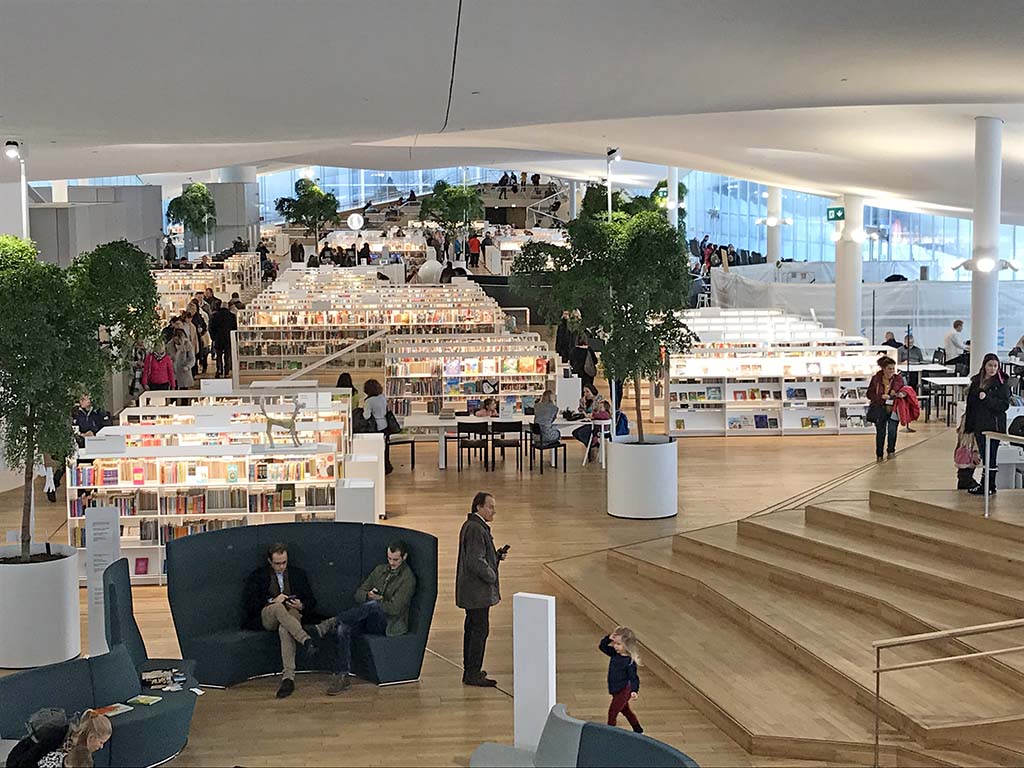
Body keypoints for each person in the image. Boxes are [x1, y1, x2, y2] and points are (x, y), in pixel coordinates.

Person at [313, 540, 417, 695]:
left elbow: (395, 609)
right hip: (368, 617)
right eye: (389, 558)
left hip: (389, 623)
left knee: (374, 606)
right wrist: (368, 595)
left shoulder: (408, 579)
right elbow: (358, 594)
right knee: (343, 629)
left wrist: (379, 600)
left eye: (395, 559)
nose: (392, 563)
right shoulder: (379, 570)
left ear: (404, 557)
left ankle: (333, 621)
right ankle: (343, 675)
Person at [243, 542, 319, 699]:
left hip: (292, 614)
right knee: (278, 608)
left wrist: (301, 605)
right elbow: (250, 604)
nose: (282, 566)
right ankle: (305, 639)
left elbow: (311, 601)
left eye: (284, 562)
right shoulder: (258, 576)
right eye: (277, 563)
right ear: (270, 561)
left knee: (285, 628)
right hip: (268, 614)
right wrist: (272, 600)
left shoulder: (298, 574)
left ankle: (288, 678)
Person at [456, 492, 507, 687]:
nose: (494, 511)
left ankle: (471, 670)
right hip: (477, 592)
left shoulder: (473, 526)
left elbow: (478, 556)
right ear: (478, 507)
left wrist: (495, 556)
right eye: (490, 507)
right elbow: (475, 560)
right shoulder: (476, 529)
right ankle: (473, 673)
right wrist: (491, 575)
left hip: (472, 591)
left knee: (472, 628)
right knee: (479, 630)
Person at [964, 353, 1011, 496]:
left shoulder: (1001, 384)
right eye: (990, 365)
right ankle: (985, 485)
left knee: (991, 456)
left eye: (995, 366)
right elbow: (971, 404)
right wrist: (969, 425)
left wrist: (987, 399)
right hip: (979, 424)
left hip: (993, 427)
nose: (993, 369)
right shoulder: (977, 381)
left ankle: (990, 485)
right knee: (985, 456)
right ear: (984, 366)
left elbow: (1003, 405)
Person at [599, 628, 643, 733]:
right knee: (626, 710)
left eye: (618, 644)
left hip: (623, 690)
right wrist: (609, 638)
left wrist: (634, 690)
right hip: (615, 689)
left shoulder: (629, 662)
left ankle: (610, 732)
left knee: (612, 712)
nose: (615, 646)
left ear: (627, 645)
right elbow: (602, 647)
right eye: (614, 643)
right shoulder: (614, 654)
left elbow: (633, 678)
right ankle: (637, 728)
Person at [36, 710, 111, 768]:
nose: (101, 747)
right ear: (92, 738)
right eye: (101, 742)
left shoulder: (85, 755)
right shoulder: (58, 736)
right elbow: (33, 756)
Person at [867, 356, 905, 461]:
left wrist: (901, 394)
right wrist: (880, 397)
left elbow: (905, 390)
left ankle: (891, 451)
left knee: (892, 430)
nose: (892, 371)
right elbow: (869, 394)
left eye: (893, 368)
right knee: (880, 431)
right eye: (889, 368)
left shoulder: (898, 379)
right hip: (880, 408)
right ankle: (879, 454)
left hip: (894, 408)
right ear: (883, 369)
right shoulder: (876, 379)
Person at [363, 378, 393, 474]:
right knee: (385, 448)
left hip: (376, 427)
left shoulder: (369, 401)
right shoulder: (382, 397)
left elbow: (366, 416)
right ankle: (387, 465)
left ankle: (377, 468)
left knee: (376, 448)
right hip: (385, 424)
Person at [209, 298, 238, 379]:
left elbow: (211, 327)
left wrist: (213, 337)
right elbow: (234, 328)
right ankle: (226, 371)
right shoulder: (232, 316)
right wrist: (234, 338)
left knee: (218, 355)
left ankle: (219, 370)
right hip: (228, 338)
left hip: (218, 338)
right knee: (227, 355)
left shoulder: (215, 316)